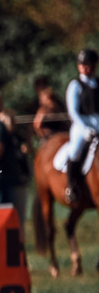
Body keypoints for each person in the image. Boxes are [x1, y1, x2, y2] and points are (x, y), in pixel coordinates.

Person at [64, 49, 99, 204]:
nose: (85, 68)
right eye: (82, 65)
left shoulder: (98, 83)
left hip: (98, 123)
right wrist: (84, 128)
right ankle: (71, 185)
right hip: (81, 125)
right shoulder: (75, 85)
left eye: (88, 65)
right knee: (75, 150)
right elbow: (73, 111)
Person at [0, 108, 31, 236]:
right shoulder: (1, 141)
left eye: (11, 121)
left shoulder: (16, 140)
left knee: (19, 220)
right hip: (7, 185)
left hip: (18, 184)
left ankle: (19, 250)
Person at [32, 76, 69, 142]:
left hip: (60, 135)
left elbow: (37, 124)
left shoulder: (47, 108)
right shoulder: (41, 108)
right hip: (50, 137)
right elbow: (37, 125)